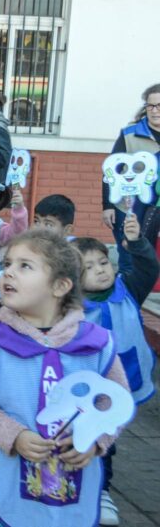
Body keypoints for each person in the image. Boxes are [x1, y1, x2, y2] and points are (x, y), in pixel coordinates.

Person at [0, 231, 129, 526]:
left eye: (25, 266)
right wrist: (13, 435)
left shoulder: (97, 342)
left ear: (61, 286)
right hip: (10, 473)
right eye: (8, 263)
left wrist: (95, 440)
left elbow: (116, 400)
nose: (8, 271)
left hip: (76, 475)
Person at [73, 217, 159, 526]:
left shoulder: (129, 289)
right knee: (81, 437)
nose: (100, 269)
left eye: (102, 262)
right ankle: (78, 486)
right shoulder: (71, 306)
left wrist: (136, 244)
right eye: (89, 266)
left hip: (125, 382)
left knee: (107, 439)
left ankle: (103, 491)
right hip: (84, 389)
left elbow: (149, 268)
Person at [102, 84, 160, 268]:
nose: (154, 110)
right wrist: (108, 205)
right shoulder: (130, 134)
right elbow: (111, 170)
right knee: (129, 258)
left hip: (157, 206)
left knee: (149, 260)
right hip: (130, 206)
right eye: (150, 106)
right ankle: (127, 295)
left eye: (159, 105)